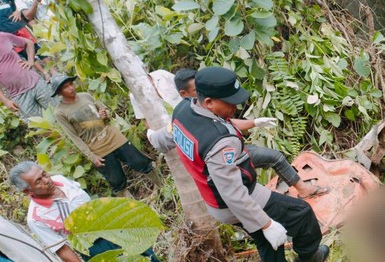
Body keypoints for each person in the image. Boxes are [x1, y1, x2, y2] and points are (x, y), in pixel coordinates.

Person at [152, 67, 330, 262]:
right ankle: (310, 257)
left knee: (267, 241)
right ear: (210, 102)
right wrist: (266, 224)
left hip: (213, 199)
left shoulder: (183, 110)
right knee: (302, 214)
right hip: (237, 199)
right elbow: (233, 193)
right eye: (230, 102)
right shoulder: (221, 143)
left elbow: (168, 135)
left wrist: (153, 138)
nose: (236, 107)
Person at [172, 68, 331, 199]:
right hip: (222, 164)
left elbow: (229, 124)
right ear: (184, 94)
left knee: (275, 157)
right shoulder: (187, 113)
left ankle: (302, 189)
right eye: (195, 91)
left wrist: (255, 123)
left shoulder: (201, 108)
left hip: (234, 149)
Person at [8, 161, 160, 262]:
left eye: (44, 174)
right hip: (96, 247)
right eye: (38, 181)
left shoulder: (61, 179)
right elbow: (61, 249)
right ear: (27, 191)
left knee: (147, 256)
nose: (47, 181)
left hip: (115, 226)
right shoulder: (36, 218)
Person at [51, 75, 163, 197]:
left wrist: (105, 114)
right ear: (59, 93)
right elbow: (74, 137)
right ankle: (134, 208)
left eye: (71, 84)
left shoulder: (85, 96)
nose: (71, 88)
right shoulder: (60, 112)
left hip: (113, 137)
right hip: (98, 148)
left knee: (141, 162)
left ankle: (161, 187)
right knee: (117, 181)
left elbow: (104, 110)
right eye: (66, 87)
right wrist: (91, 156)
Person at [0, 32, 51, 118]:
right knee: (42, 127)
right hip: (18, 95)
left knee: (59, 112)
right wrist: (5, 100)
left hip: (36, 83)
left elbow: (29, 43)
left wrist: (30, 61)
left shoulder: (2, 36)